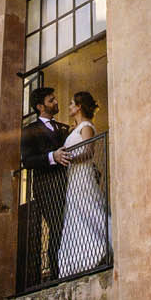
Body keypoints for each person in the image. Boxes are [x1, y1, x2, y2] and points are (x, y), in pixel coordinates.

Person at [19, 85, 71, 282]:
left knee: (69, 226)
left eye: (55, 98)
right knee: (56, 227)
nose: (56, 102)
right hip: (46, 187)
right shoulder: (29, 131)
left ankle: (70, 267)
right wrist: (52, 156)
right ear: (40, 106)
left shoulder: (63, 128)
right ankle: (56, 276)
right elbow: (28, 161)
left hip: (67, 184)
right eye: (51, 100)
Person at [57, 91, 110, 277]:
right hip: (73, 178)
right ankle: (80, 260)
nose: (69, 107)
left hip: (83, 174)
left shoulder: (86, 126)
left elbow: (88, 152)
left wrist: (69, 157)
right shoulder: (75, 128)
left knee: (89, 208)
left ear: (79, 106)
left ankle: (101, 248)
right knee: (75, 213)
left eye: (72, 103)